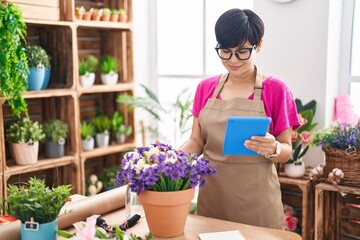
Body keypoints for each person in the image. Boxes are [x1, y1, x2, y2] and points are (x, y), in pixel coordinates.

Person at [179, 8, 300, 229]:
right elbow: (196, 141)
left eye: (242, 51)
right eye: (225, 51)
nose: (233, 60)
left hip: (258, 203)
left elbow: (286, 151)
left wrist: (273, 148)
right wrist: (171, 159)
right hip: (213, 198)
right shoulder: (205, 88)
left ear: (259, 45)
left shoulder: (276, 89)